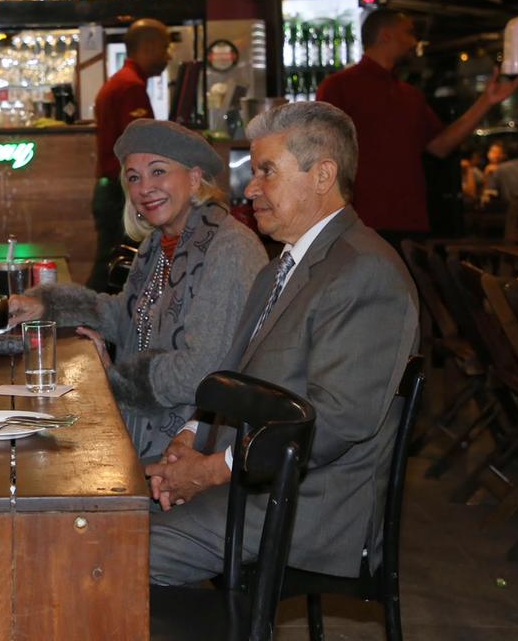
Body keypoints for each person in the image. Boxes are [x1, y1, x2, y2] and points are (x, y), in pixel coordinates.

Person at [145, 101, 419, 585]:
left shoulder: (365, 271)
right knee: (96, 520)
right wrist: (189, 439)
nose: (249, 188)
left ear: (322, 175)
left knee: (110, 552)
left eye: (266, 171)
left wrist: (212, 471)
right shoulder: (280, 266)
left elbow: (335, 421)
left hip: (309, 508)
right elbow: (233, 378)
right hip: (256, 484)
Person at [8, 119, 266, 459]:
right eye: (134, 177)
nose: (145, 188)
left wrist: (116, 380)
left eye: (158, 172)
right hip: (141, 422)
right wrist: (46, 307)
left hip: (194, 445)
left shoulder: (229, 247)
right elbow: (127, 315)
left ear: (193, 178)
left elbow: (203, 371)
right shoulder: (158, 244)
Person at [317, 8, 518, 247]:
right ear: (385, 36)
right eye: (408, 33)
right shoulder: (339, 86)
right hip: (356, 222)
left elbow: (439, 146)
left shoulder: (408, 94)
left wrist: (486, 102)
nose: (414, 41)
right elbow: (320, 154)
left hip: (404, 220)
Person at [87, 18, 172, 291]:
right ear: (148, 47)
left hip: (111, 188)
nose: (167, 56)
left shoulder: (122, 82)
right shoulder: (130, 87)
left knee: (111, 263)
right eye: (164, 48)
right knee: (116, 265)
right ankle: (90, 326)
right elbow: (143, 146)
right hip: (119, 191)